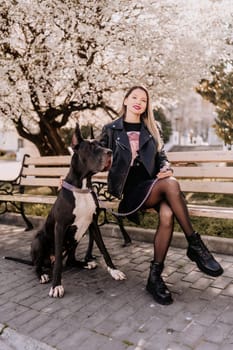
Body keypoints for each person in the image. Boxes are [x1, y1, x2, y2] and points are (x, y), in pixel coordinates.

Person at [99, 85, 223, 305]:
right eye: (134, 97)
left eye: (144, 100)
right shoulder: (111, 130)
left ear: (147, 105)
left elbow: (162, 156)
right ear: (125, 100)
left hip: (153, 186)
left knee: (167, 214)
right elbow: (93, 155)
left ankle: (154, 277)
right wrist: (69, 177)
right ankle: (195, 245)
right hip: (130, 192)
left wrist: (166, 167)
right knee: (171, 185)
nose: (139, 102)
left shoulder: (152, 128)